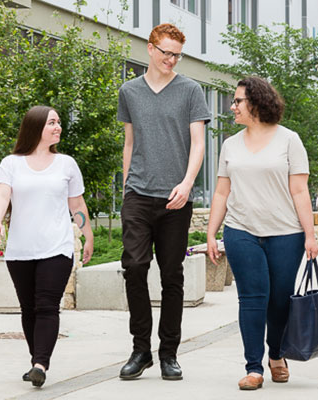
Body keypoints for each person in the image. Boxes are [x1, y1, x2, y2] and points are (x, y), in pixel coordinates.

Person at [205, 77, 318, 390]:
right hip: (241, 231)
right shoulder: (230, 144)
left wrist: (310, 235)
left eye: (238, 101)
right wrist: (211, 232)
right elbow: (221, 193)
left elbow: (299, 190)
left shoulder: (289, 140)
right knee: (252, 298)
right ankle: (253, 367)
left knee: (279, 300)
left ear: (256, 102)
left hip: (286, 233)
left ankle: (277, 354)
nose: (233, 106)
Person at [116, 23, 210, 381]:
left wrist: (187, 184)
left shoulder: (190, 90)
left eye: (177, 54)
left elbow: (198, 143)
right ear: (151, 49)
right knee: (135, 267)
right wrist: (127, 187)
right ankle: (140, 350)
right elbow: (130, 141)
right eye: (166, 52)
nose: (171, 59)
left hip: (176, 197)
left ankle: (169, 352)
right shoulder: (129, 91)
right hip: (138, 195)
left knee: (172, 275)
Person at [0, 106, 94, 388]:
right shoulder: (11, 163)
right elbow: (1, 195)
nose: (58, 127)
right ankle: (36, 359)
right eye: (52, 122)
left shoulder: (67, 164)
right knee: (28, 308)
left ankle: (40, 364)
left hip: (56, 248)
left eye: (59, 122)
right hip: (20, 249)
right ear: (36, 127)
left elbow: (77, 205)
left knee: (47, 305)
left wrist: (87, 234)